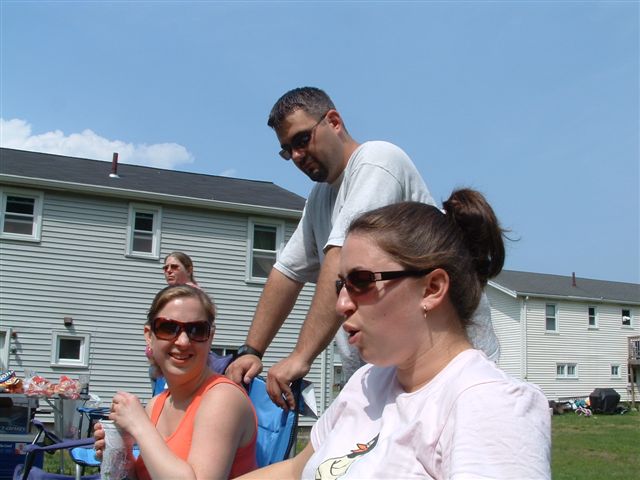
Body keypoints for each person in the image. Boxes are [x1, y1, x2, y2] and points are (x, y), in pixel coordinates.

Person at [237, 190, 551, 479]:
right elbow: (296, 471)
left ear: (432, 288)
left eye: (361, 281)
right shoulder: (366, 383)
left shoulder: (488, 404)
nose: (342, 304)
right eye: (341, 285)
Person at [226, 86, 499, 408]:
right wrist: (252, 350)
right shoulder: (319, 198)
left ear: (334, 122)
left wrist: (301, 356)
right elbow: (287, 272)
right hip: (382, 376)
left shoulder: (377, 161)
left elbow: (340, 260)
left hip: (444, 370)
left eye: (302, 140)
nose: (296, 156)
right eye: (287, 150)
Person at [94, 285, 258, 479]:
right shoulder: (156, 405)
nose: (183, 341)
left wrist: (139, 426)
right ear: (149, 336)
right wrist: (123, 456)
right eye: (168, 328)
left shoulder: (223, 399)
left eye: (197, 330)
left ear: (210, 337)